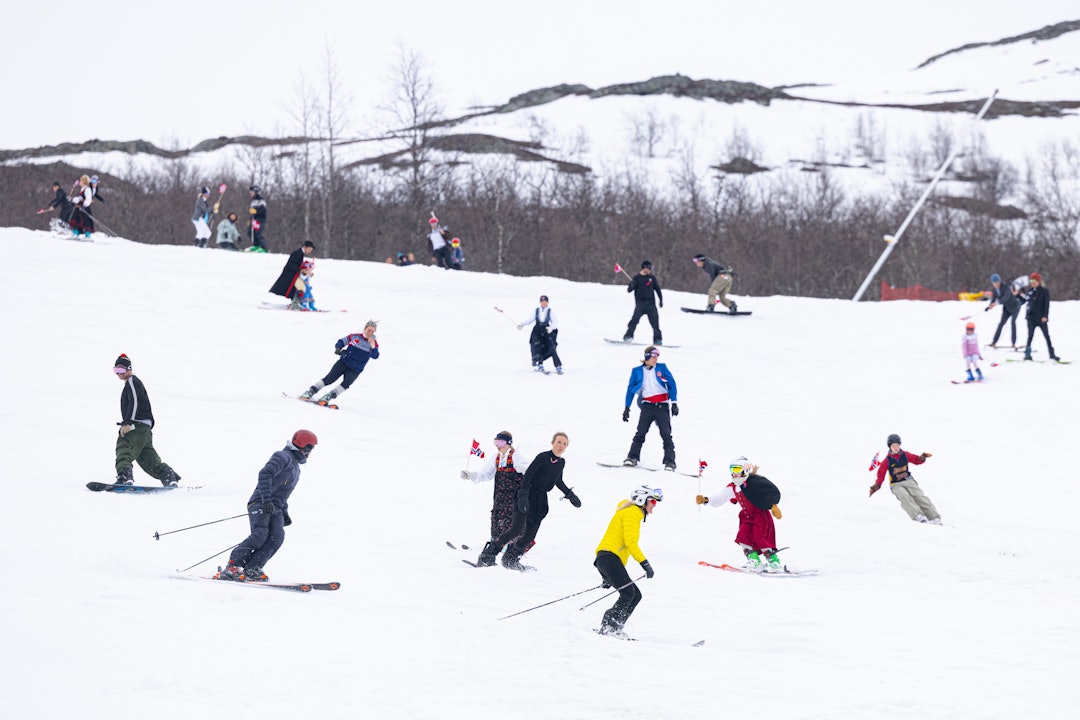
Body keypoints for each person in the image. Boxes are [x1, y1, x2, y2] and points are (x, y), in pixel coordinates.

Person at [216, 430, 318, 582]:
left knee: (277, 538)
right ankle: (233, 566)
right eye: (311, 448)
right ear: (305, 446)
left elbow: (282, 493)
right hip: (260, 502)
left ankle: (253, 568)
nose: (311, 452)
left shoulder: (296, 467)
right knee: (260, 535)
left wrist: (285, 513)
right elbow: (265, 474)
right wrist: (266, 500)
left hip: (275, 507)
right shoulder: (282, 456)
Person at [475, 432, 580, 571]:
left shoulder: (561, 463)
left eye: (564, 443)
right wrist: (523, 495)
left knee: (530, 535)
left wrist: (570, 495)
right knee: (515, 530)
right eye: (559, 442)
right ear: (552, 443)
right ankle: (487, 556)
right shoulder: (542, 457)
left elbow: (558, 481)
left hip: (541, 500)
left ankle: (510, 559)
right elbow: (528, 475)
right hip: (527, 494)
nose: (561, 446)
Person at [593, 485, 660, 638]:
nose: (654, 506)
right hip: (609, 559)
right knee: (628, 593)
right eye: (653, 502)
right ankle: (609, 627)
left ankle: (615, 627)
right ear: (642, 501)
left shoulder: (629, 512)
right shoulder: (632, 513)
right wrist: (645, 564)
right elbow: (631, 543)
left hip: (607, 560)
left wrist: (607, 575)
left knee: (635, 595)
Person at [696, 456, 784, 571]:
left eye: (737, 469)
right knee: (742, 536)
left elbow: (770, 491)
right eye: (732, 470)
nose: (734, 473)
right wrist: (706, 500)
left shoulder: (754, 483)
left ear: (745, 469)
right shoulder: (733, 487)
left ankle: (774, 561)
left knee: (759, 537)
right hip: (747, 517)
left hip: (760, 517)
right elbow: (722, 496)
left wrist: (773, 506)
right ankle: (754, 561)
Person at [112, 354, 181, 487]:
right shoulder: (132, 382)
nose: (118, 373)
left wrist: (127, 422)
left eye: (121, 369)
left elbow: (134, 401)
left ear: (129, 368)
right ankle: (168, 476)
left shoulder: (132, 381)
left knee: (123, 446)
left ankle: (124, 477)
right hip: (145, 430)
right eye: (116, 370)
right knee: (148, 459)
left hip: (136, 425)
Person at [462, 431, 532, 543]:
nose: (498, 446)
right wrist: (471, 475)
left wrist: (523, 469)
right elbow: (486, 474)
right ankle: (495, 544)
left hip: (514, 497)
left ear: (509, 443)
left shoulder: (516, 456)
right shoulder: (496, 458)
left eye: (501, 442)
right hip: (500, 497)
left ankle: (513, 547)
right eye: (496, 442)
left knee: (513, 522)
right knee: (497, 519)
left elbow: (530, 470)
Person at [622, 346, 678, 470]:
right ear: (647, 357)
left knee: (666, 434)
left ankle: (670, 461)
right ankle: (632, 457)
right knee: (640, 433)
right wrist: (627, 407)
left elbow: (672, 384)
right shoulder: (637, 371)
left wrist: (674, 402)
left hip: (662, 405)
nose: (656, 359)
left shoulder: (662, 368)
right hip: (647, 406)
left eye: (657, 356)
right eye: (653, 356)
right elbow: (630, 390)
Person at [298, 321, 380, 405]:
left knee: (346, 384)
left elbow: (375, 356)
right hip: (343, 363)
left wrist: (373, 345)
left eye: (372, 331)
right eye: (369, 330)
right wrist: (338, 348)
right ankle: (310, 391)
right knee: (329, 379)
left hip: (355, 369)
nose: (370, 333)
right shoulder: (355, 337)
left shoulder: (374, 343)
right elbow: (342, 341)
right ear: (365, 329)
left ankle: (328, 396)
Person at [870, 433, 940, 524]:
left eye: (897, 445)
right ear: (890, 447)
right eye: (893, 445)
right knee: (904, 496)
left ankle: (934, 517)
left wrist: (922, 457)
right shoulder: (887, 460)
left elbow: (916, 460)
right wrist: (876, 485)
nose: (895, 447)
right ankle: (917, 516)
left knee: (919, 496)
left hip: (908, 481)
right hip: (896, 484)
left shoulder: (905, 455)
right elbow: (881, 474)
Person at [518, 294, 563, 374]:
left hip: (546, 330)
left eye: (545, 301)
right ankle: (539, 364)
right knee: (536, 346)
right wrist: (523, 324)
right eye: (542, 301)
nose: (544, 303)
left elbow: (555, 322)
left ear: (547, 302)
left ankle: (558, 366)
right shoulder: (536, 310)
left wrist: (551, 327)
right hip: (537, 330)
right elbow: (530, 319)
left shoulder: (550, 311)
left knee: (551, 347)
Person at [623, 260, 663, 344]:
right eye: (649, 268)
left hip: (651, 304)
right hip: (640, 304)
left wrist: (661, 300)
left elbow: (658, 290)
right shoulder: (636, 278)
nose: (650, 270)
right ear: (644, 268)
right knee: (634, 321)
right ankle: (628, 336)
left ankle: (657, 340)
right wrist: (632, 285)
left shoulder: (652, 278)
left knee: (655, 323)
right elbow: (629, 290)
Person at [269, 240, 316, 310]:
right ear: (306, 247)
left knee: (297, 288)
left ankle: (297, 303)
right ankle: (295, 303)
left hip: (294, 275)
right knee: (300, 287)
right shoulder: (297, 253)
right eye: (310, 249)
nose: (310, 251)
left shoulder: (300, 253)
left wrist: (305, 270)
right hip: (290, 275)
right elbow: (291, 264)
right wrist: (301, 270)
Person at [1023, 272, 1059, 361]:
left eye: (1034, 281)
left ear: (1039, 281)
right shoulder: (1030, 291)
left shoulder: (1044, 291)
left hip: (1041, 318)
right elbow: (1026, 303)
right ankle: (1027, 354)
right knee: (1030, 336)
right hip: (1031, 318)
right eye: (1031, 281)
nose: (1032, 283)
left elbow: (1046, 305)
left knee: (1047, 336)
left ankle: (1052, 354)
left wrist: (1045, 316)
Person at [985, 273, 1023, 348]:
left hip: (1015, 307)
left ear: (1000, 281)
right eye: (995, 283)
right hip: (1006, 309)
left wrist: (996, 303)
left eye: (997, 282)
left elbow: (1006, 297)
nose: (996, 284)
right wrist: (989, 306)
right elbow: (993, 299)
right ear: (992, 283)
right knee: (1001, 324)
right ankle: (994, 342)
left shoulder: (1006, 287)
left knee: (1013, 323)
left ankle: (1013, 343)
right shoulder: (994, 290)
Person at [247, 185, 269, 252]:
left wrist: (256, 211)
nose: (250, 193)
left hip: (261, 219)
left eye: (252, 192)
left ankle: (264, 247)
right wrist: (250, 219)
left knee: (258, 233)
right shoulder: (253, 201)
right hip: (255, 219)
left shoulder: (261, 200)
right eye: (250, 192)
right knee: (251, 233)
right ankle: (256, 245)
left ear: (256, 192)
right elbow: (252, 212)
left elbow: (262, 209)